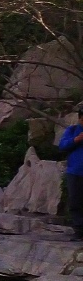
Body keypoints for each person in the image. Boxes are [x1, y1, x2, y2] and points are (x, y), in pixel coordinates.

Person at [59, 101, 83, 238]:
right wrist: (76, 140)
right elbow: (62, 146)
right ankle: (79, 231)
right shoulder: (72, 130)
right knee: (75, 201)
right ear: (80, 118)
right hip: (74, 172)